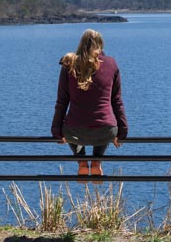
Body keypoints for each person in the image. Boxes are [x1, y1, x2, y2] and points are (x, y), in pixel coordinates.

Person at [51, 29, 128, 179]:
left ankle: (81, 162)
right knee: (103, 124)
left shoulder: (69, 64)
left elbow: (62, 102)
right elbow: (117, 101)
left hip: (74, 132)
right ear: (101, 46)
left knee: (73, 129)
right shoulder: (111, 64)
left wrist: (56, 131)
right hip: (106, 132)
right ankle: (96, 161)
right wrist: (122, 132)